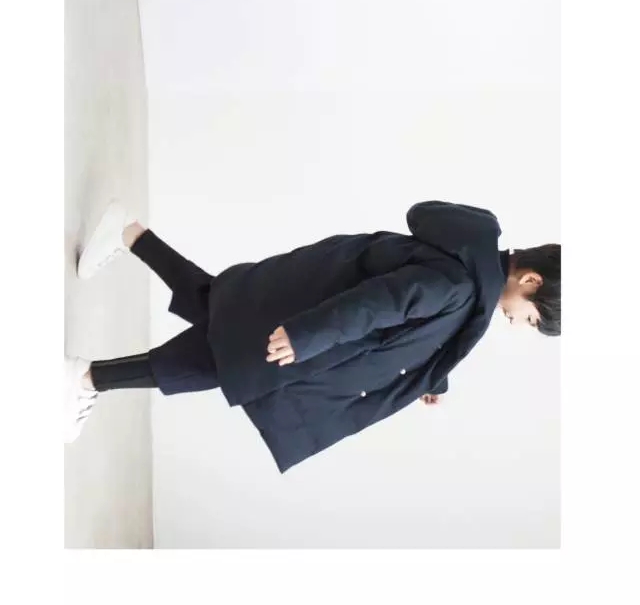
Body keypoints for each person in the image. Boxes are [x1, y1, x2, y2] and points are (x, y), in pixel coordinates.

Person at [65, 199, 561, 472]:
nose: (521, 325)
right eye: (532, 320)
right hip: (309, 328)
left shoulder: (467, 275)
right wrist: (305, 335)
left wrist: (431, 377)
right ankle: (84, 378)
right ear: (530, 281)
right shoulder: (458, 286)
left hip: (310, 311)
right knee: (220, 363)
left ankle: (128, 233)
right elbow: (376, 305)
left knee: (215, 306)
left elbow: (413, 327)